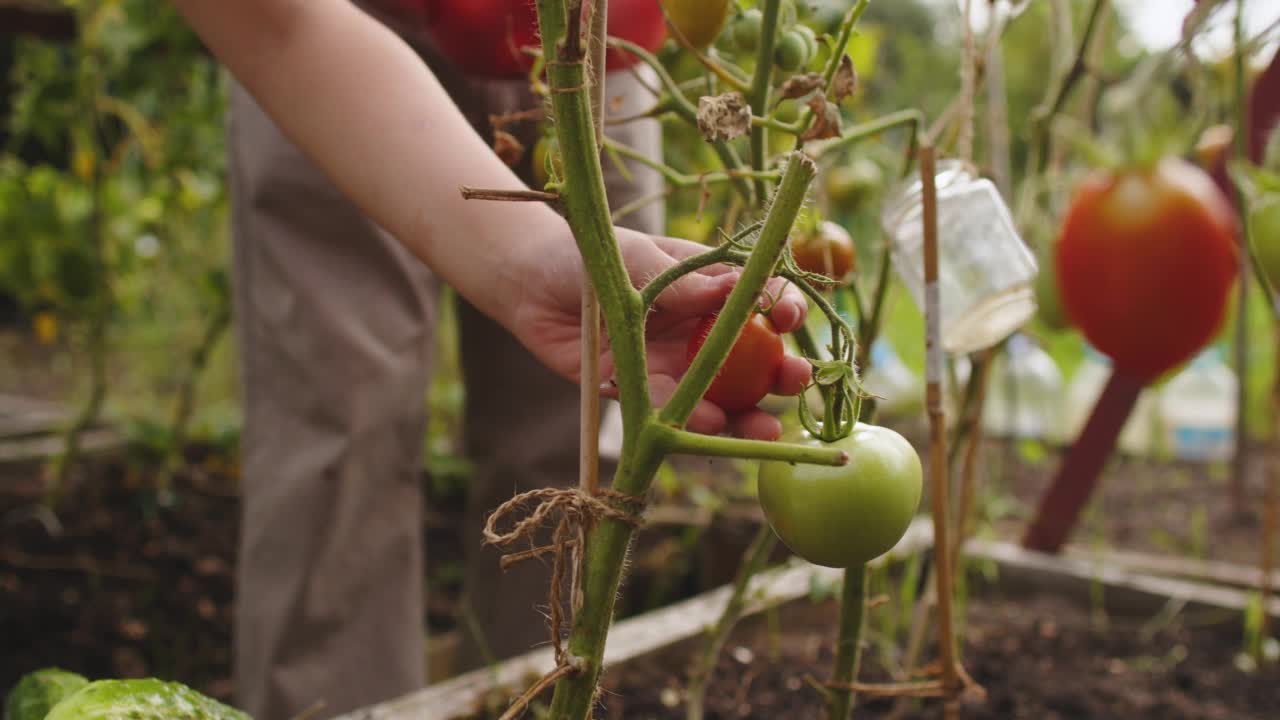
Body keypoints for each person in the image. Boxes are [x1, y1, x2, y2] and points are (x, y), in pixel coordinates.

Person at [172, 2, 812, 718]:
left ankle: (537, 698)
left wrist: (528, 259)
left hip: (610, 42)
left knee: (575, 446)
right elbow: (278, 26)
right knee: (337, 430)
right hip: (327, 26)